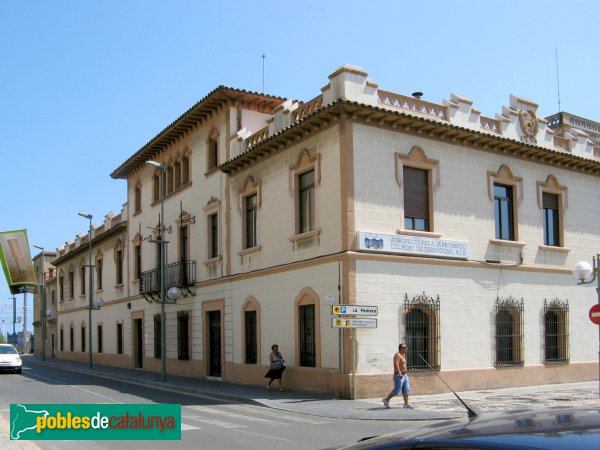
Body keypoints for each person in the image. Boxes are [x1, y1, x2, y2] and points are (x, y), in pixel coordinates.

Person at [383, 343, 413, 409]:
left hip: (405, 375)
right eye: (405, 347)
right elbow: (396, 364)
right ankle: (386, 399)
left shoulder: (403, 355)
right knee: (397, 390)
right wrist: (399, 373)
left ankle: (406, 404)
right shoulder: (397, 355)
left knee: (406, 389)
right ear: (401, 348)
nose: (407, 349)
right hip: (399, 375)